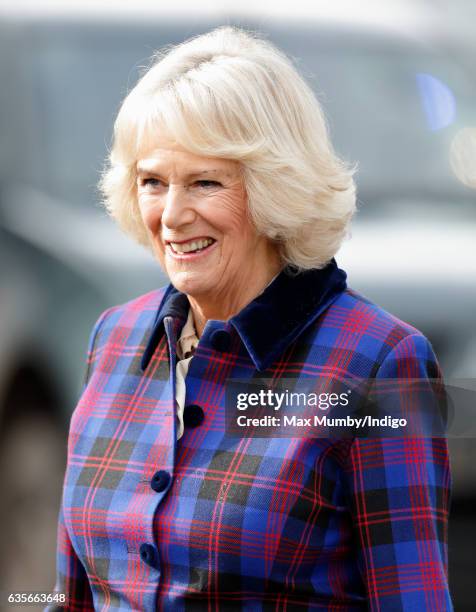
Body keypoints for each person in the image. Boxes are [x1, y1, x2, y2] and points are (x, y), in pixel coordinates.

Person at [48, 26, 452, 610]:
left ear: (273, 189)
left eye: (205, 182)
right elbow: (72, 595)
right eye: (153, 182)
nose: (173, 215)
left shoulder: (379, 364)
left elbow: (411, 598)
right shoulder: (112, 340)